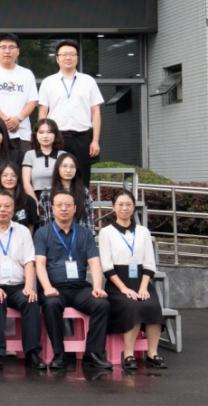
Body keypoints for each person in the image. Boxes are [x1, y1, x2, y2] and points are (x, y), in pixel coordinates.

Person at [35, 189, 112, 370]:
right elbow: (40, 264)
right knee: (51, 304)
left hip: (79, 288)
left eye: (68, 205)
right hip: (55, 287)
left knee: (102, 304)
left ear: (75, 208)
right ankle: (59, 354)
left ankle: (93, 353)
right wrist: (47, 287)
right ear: (52, 208)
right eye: (59, 205)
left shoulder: (85, 233)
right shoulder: (42, 233)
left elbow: (94, 262)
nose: (64, 209)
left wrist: (97, 287)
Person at [0, 191, 45, 371]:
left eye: (7, 206)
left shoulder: (23, 231)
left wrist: (29, 287)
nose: (2, 209)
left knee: (31, 300)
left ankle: (32, 353)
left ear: (13, 209)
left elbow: (29, 262)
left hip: (18, 286)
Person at [98, 190, 167, 371]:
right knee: (132, 305)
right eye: (120, 204)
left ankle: (152, 353)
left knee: (152, 305)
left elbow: (149, 263)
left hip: (141, 280)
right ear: (113, 207)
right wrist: (124, 289)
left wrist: (143, 287)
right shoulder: (106, 232)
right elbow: (106, 266)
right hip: (117, 284)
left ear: (134, 206)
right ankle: (128, 354)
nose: (124, 208)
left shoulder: (143, 231)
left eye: (128, 204)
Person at [37, 39, 104, 187]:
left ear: (77, 58)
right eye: (64, 54)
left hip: (82, 136)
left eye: (72, 54)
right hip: (56, 137)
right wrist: (43, 137)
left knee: (82, 177)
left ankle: (81, 202)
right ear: (57, 58)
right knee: (55, 177)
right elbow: (42, 113)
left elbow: (96, 113)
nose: (68, 57)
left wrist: (95, 140)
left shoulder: (88, 81)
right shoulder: (48, 82)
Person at [0, 33, 38, 152]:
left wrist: (18, 119)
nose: (7, 51)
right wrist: (4, 121)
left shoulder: (27, 74)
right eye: (3, 47)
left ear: (18, 51)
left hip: (22, 133)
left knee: (23, 163)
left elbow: (32, 101)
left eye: (11, 47)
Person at [37, 153, 94, 232]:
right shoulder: (47, 193)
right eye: (64, 166)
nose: (68, 170)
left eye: (72, 166)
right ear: (58, 168)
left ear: (76, 169)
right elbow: (44, 221)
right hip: (53, 236)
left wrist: (88, 237)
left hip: (80, 236)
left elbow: (89, 220)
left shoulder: (84, 192)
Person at [22, 118, 67, 205]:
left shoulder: (62, 155)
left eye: (49, 132)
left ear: (55, 135)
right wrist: (35, 203)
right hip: (35, 197)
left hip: (59, 199)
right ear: (36, 135)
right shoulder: (30, 155)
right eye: (41, 132)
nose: (45, 136)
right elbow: (26, 182)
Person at [0, 163, 38, 233]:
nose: (9, 178)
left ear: (18, 178)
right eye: (5, 175)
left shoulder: (29, 200)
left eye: (13, 175)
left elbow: (31, 226)